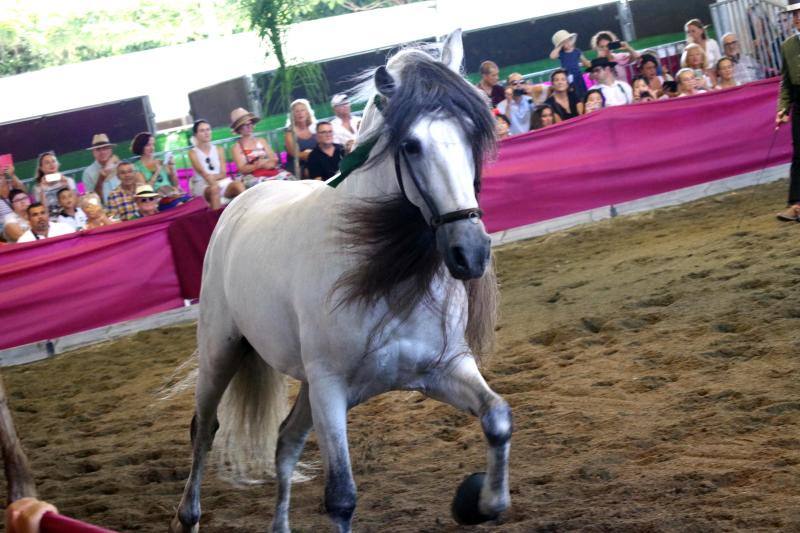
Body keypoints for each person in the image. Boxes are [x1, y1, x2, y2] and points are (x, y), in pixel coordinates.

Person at [775, 0, 800, 221]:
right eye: (795, 15)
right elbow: (786, 83)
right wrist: (782, 108)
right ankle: (796, 204)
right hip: (799, 105)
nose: (798, 18)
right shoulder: (788, 46)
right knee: (799, 155)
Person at [189, 119, 245, 210]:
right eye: (202, 131)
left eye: (208, 129)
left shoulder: (219, 149)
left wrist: (213, 178)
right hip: (203, 185)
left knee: (238, 185)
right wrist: (213, 179)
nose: (206, 133)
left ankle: (244, 213)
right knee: (214, 189)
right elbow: (204, 174)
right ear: (196, 135)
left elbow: (223, 173)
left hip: (221, 182)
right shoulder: (193, 153)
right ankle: (216, 221)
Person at [229, 107, 282, 188]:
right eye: (245, 125)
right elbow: (242, 169)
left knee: (288, 181)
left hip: (270, 171)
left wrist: (267, 164)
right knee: (265, 186)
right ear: (239, 128)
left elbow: (274, 159)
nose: (249, 126)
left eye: (250, 123)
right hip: (252, 177)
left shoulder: (262, 141)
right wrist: (259, 165)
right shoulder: (237, 147)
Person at [31, 152, 76, 216]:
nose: (51, 164)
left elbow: (76, 203)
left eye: (53, 161)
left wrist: (67, 185)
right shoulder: (37, 188)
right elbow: (41, 211)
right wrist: (42, 190)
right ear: (41, 168)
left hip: (68, 216)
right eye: (47, 163)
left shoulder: (69, 180)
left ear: (58, 164)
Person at [550, 30, 590, 99]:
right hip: (567, 79)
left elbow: (585, 62)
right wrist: (559, 46)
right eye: (564, 42)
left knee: (583, 94)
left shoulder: (577, 51)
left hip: (578, 77)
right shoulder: (561, 53)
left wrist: (586, 64)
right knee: (572, 96)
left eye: (568, 40)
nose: (567, 43)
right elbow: (552, 57)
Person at [80, 133, 120, 204]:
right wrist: (101, 179)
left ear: (110, 150)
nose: (102, 152)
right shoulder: (86, 173)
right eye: (98, 149)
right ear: (93, 152)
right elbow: (84, 198)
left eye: (105, 148)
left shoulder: (120, 165)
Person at [284, 99, 317, 178]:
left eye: (302, 110)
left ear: (307, 112)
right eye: (297, 111)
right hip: (298, 164)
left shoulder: (314, 127)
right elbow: (295, 154)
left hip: (316, 159)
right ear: (292, 115)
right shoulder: (289, 132)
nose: (300, 113)